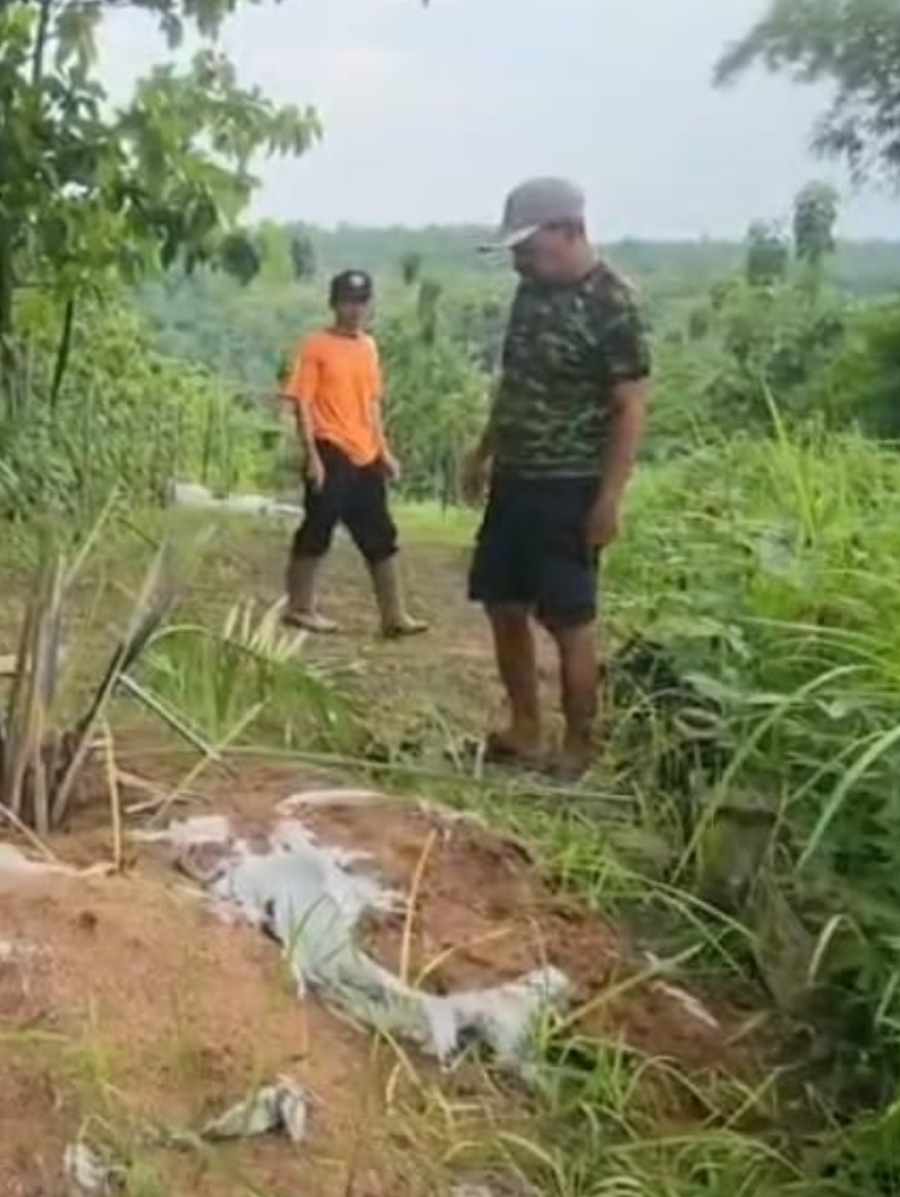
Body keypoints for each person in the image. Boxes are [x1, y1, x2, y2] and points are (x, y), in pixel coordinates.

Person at [461, 177, 652, 774]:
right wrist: (484, 450)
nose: (519, 260)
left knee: (570, 620)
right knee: (502, 603)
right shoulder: (531, 292)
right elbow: (515, 382)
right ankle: (524, 728)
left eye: (528, 246)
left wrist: (609, 500)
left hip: (569, 486)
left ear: (569, 232)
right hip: (515, 478)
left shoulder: (613, 304)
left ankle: (579, 744)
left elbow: (630, 407)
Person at [279, 269, 428, 638]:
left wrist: (384, 451)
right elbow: (304, 403)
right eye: (348, 301)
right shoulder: (316, 345)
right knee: (319, 524)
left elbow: (372, 404)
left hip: (364, 451)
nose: (355, 310)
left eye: (361, 302)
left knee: (379, 531)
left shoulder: (368, 348)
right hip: (330, 445)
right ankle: (300, 607)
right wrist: (311, 455)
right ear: (334, 304)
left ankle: (394, 615)